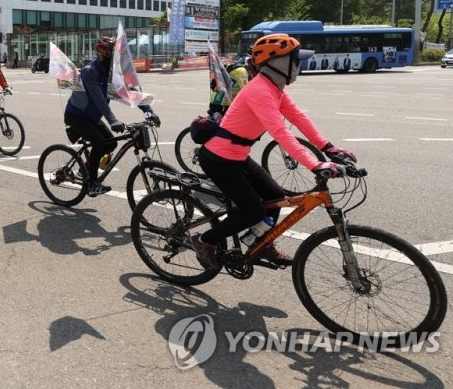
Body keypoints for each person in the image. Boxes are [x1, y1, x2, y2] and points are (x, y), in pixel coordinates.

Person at [192, 34, 356, 269]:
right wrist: (315, 164)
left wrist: (329, 148)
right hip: (219, 160)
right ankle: (204, 240)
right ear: (278, 62)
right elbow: (280, 132)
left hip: (237, 157)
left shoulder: (274, 88)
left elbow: (298, 118)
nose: (300, 65)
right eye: (296, 60)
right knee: (252, 210)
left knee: (276, 199)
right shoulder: (259, 90)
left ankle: (260, 242)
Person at [64, 36, 160, 197]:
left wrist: (148, 111)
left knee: (110, 145)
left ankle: (85, 170)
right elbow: (99, 99)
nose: (117, 58)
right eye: (114, 55)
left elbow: (130, 91)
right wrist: (113, 120)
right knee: (99, 143)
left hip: (92, 117)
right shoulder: (90, 72)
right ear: (103, 55)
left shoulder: (112, 73)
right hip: (77, 115)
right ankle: (92, 184)